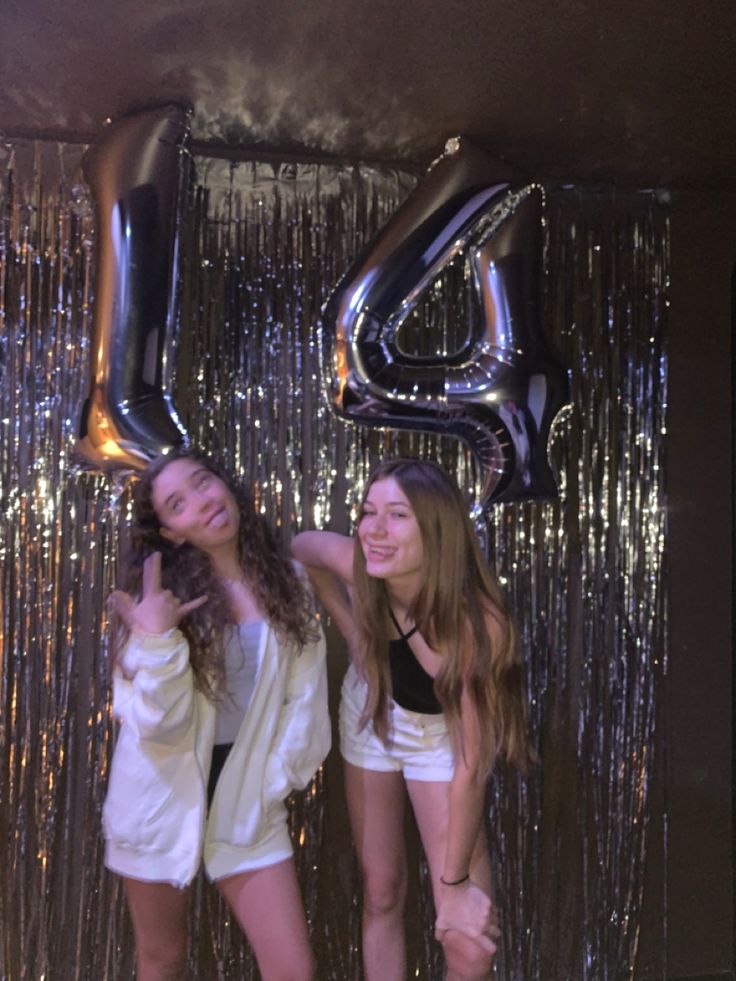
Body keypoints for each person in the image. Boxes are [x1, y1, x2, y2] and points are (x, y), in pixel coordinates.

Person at [291, 458, 530, 981]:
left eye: (396, 514)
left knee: (467, 942)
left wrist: (452, 889)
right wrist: (352, 629)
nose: (374, 529)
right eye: (368, 511)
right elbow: (303, 548)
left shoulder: (472, 622)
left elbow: (471, 766)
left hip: (441, 744)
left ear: (436, 528)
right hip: (372, 715)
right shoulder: (364, 565)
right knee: (382, 891)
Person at [103, 447, 330, 981]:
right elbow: (159, 725)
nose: (201, 503)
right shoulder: (157, 603)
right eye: (178, 504)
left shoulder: (288, 582)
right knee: (162, 962)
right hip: (158, 803)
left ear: (226, 486)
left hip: (248, 801)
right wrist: (156, 638)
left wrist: (273, 782)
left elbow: (306, 697)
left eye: (203, 483)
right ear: (173, 533)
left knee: (293, 970)